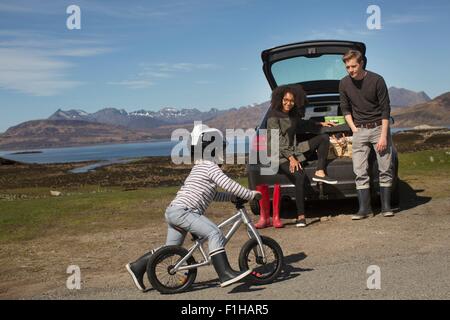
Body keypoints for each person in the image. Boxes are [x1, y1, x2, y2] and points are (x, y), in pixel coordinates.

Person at [126, 124, 260, 291]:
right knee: (214, 232)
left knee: (170, 250)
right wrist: (250, 194)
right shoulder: (210, 166)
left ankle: (137, 267)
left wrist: (232, 198)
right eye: (220, 149)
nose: (222, 154)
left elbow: (213, 195)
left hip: (175, 211)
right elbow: (229, 184)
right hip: (184, 212)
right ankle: (224, 273)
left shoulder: (200, 167)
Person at [266, 85, 338, 228]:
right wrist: (291, 158)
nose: (288, 103)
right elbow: (276, 141)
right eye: (286, 100)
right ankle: (301, 217)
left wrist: (321, 123)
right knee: (299, 176)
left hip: (294, 150)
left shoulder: (293, 114)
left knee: (323, 138)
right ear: (280, 99)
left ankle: (319, 171)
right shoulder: (273, 116)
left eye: (292, 101)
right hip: (279, 155)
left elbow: (303, 125)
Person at [339, 49, 394, 220]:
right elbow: (345, 108)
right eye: (347, 67)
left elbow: (385, 109)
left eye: (353, 66)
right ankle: (365, 209)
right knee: (359, 171)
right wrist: (354, 129)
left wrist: (384, 136)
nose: (351, 70)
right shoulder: (344, 83)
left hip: (379, 129)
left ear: (361, 63)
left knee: (385, 168)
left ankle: (386, 207)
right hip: (359, 131)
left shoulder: (377, 80)